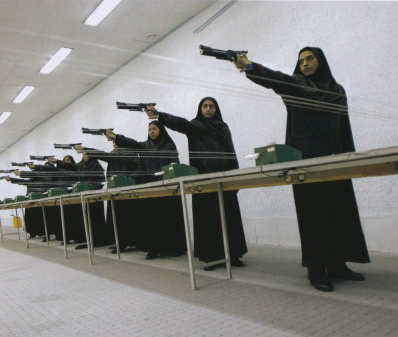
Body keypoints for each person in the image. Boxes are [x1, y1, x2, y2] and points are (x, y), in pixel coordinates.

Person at [233, 47, 369, 291]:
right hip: (306, 160)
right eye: (301, 60)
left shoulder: (336, 91)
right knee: (314, 214)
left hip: (334, 159)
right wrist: (250, 66)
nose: (304, 63)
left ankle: (338, 265)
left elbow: (343, 124)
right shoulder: (297, 84)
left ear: (321, 61)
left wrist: (350, 157)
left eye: (310, 58)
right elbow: (278, 80)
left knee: (339, 212)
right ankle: (316, 270)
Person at [145, 98, 248, 269]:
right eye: (205, 106)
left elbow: (231, 150)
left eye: (211, 106)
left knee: (229, 216)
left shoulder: (223, 127)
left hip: (224, 177)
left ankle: (233, 254)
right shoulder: (195, 126)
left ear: (216, 108)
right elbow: (180, 123)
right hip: (204, 178)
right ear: (200, 109)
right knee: (208, 218)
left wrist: (234, 174)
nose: (208, 109)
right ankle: (211, 256)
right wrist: (160, 115)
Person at [105, 121, 187, 259]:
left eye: (154, 129)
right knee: (152, 220)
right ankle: (153, 249)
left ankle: (173, 248)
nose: (152, 132)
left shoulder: (169, 146)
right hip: (150, 188)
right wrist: (116, 137)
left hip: (167, 188)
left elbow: (174, 163)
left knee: (169, 218)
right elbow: (132, 143)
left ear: (161, 130)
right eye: (149, 129)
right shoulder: (145, 146)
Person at [75, 142, 144, 253]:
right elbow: (109, 171)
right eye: (113, 142)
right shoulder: (112, 155)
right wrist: (111, 182)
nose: (115, 145)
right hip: (115, 190)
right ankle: (120, 242)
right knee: (117, 217)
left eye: (117, 142)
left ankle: (132, 242)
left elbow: (139, 169)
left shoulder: (131, 154)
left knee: (130, 216)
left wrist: (129, 178)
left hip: (129, 189)